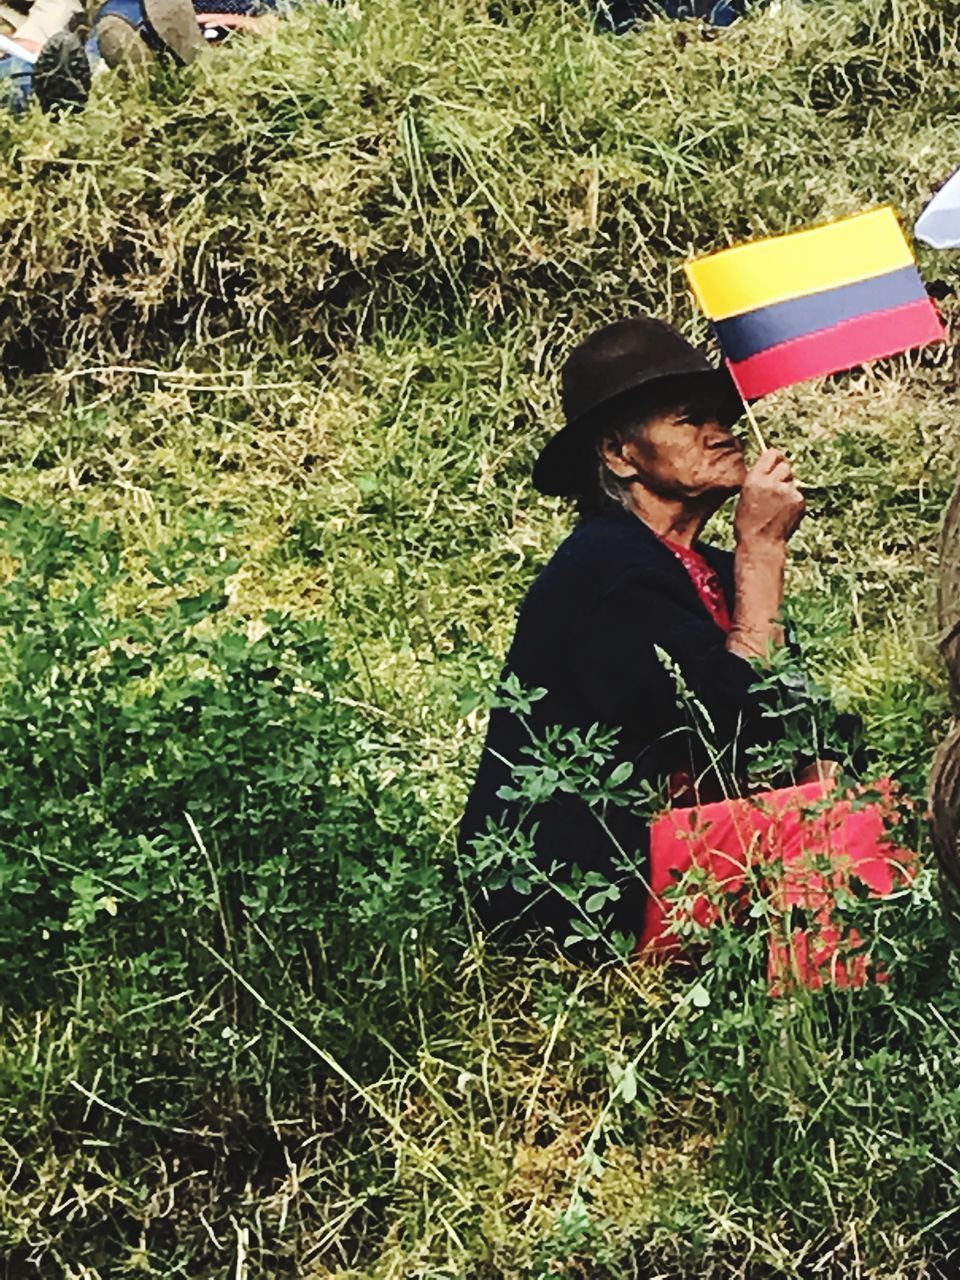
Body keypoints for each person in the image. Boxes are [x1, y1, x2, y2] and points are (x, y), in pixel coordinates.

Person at [459, 315, 837, 953]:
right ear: (619, 453)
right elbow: (729, 732)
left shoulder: (715, 568)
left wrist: (825, 771)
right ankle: (835, 1021)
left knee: (850, 805)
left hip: (680, 851)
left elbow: (793, 728)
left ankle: (833, 1015)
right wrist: (765, 552)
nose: (723, 433)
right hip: (577, 886)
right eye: (690, 419)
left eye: (725, 418)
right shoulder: (601, 567)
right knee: (831, 826)